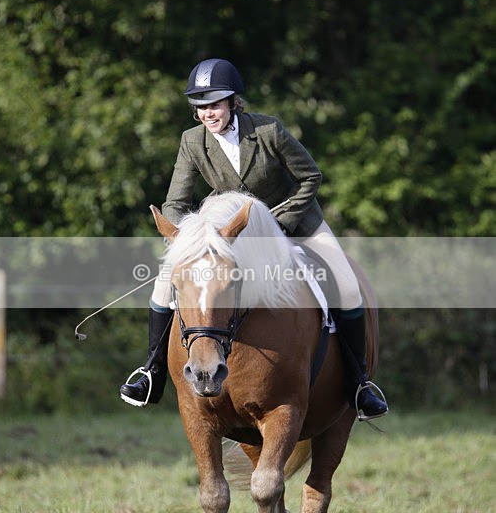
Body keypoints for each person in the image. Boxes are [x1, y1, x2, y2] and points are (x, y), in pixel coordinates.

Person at [120, 58, 388, 420]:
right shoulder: (192, 142)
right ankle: (151, 372)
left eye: (215, 103)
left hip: (296, 224)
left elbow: (311, 177)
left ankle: (359, 385)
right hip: (234, 234)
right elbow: (175, 201)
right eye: (200, 106)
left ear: (233, 102)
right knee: (164, 285)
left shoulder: (268, 131)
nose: (207, 113)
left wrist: (280, 223)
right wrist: (183, 239)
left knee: (346, 284)